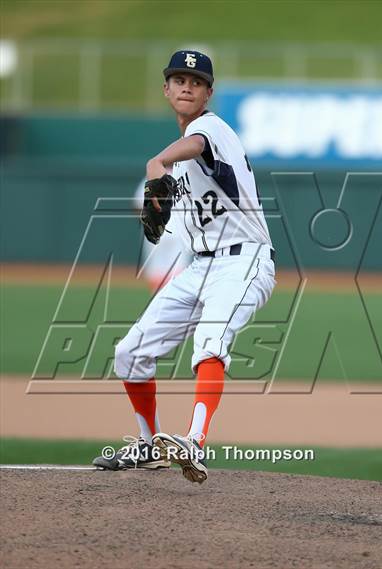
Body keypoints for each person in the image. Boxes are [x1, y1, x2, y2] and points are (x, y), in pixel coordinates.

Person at [93, 50, 276, 483]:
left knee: (210, 342)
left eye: (195, 81)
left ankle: (195, 442)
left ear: (208, 92)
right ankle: (149, 445)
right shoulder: (185, 168)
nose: (186, 86)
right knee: (130, 353)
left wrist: (158, 162)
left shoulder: (208, 128)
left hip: (245, 259)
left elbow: (191, 147)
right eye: (178, 79)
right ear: (166, 89)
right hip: (201, 267)